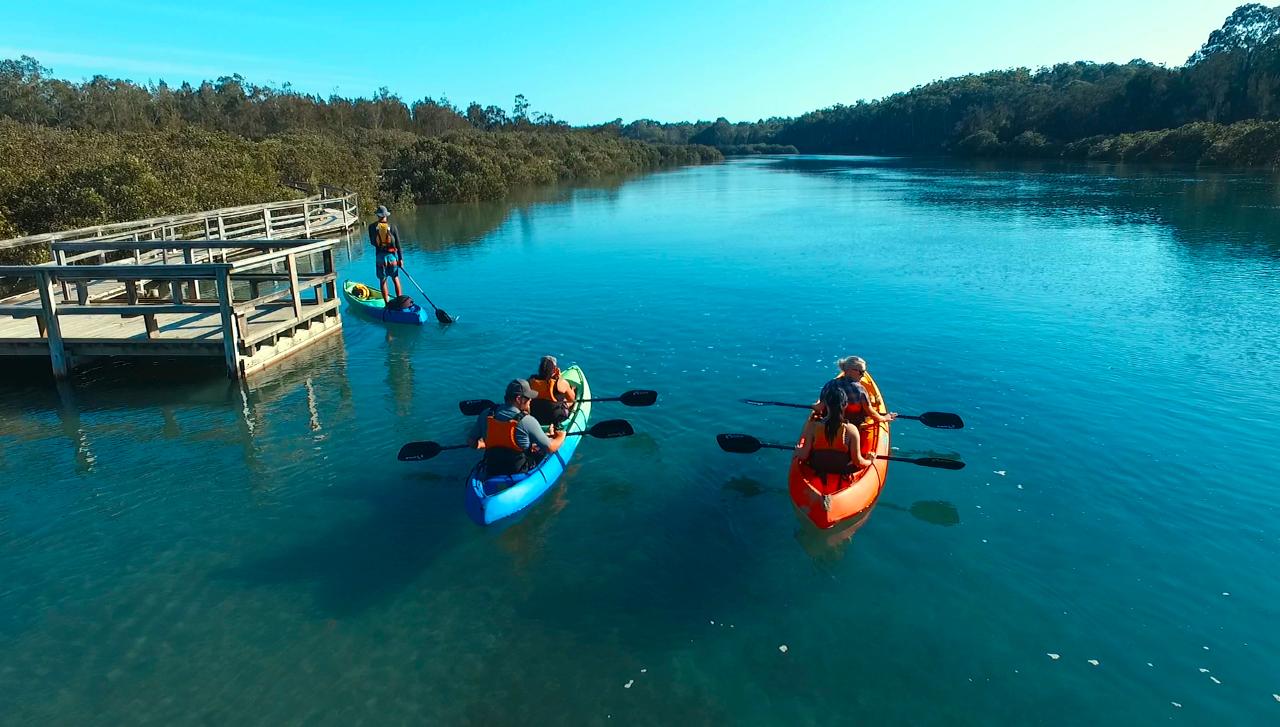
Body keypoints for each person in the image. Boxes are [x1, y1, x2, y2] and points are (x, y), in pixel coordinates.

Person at [468, 379, 566, 477]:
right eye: (528, 398)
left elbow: (471, 442)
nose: (530, 400)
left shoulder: (486, 414)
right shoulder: (527, 420)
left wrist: (483, 444)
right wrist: (561, 436)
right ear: (519, 399)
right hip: (517, 470)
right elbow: (550, 448)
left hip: (492, 468)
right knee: (541, 451)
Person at [794, 385, 876, 474]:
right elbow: (858, 462)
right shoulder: (851, 430)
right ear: (845, 405)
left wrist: (797, 449)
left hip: (816, 467)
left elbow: (803, 455)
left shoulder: (813, 427)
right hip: (841, 470)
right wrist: (870, 461)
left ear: (826, 405)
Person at [813, 356, 897, 427]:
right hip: (852, 426)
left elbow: (819, 408)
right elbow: (871, 413)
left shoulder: (829, 385)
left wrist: (814, 407)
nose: (863, 375)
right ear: (850, 370)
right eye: (861, 372)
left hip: (829, 424)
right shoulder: (860, 390)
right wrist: (885, 418)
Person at [527, 355, 576, 433]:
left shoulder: (530, 381)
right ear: (554, 370)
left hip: (535, 416)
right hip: (555, 419)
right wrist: (560, 378)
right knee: (568, 401)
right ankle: (566, 406)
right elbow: (572, 399)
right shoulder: (560, 383)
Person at [367, 205, 404, 304]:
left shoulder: (371, 227)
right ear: (386, 215)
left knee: (383, 280)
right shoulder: (392, 227)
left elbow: (372, 242)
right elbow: (398, 243)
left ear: (378, 215)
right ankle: (400, 302)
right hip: (392, 257)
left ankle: (387, 304)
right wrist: (400, 259)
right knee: (395, 278)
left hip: (380, 257)